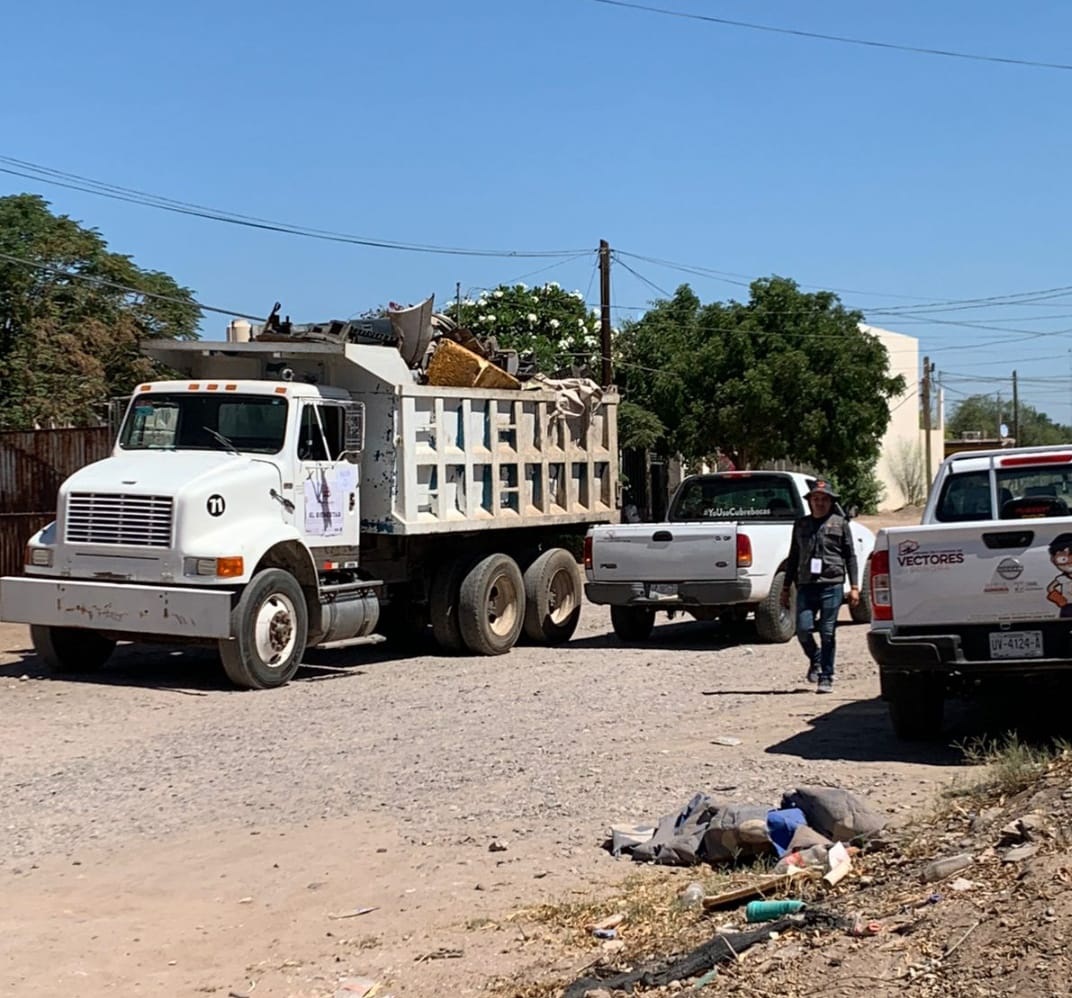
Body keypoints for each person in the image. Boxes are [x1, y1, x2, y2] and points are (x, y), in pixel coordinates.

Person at [780, 479, 859, 693]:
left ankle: (826, 676)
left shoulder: (840, 523)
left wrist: (854, 586)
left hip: (831, 584)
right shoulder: (801, 525)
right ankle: (815, 659)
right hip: (806, 584)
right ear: (810, 502)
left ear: (831, 502)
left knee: (827, 632)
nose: (820, 503)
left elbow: (850, 556)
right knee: (803, 630)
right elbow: (793, 557)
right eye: (816, 499)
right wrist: (786, 588)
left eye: (824, 499)